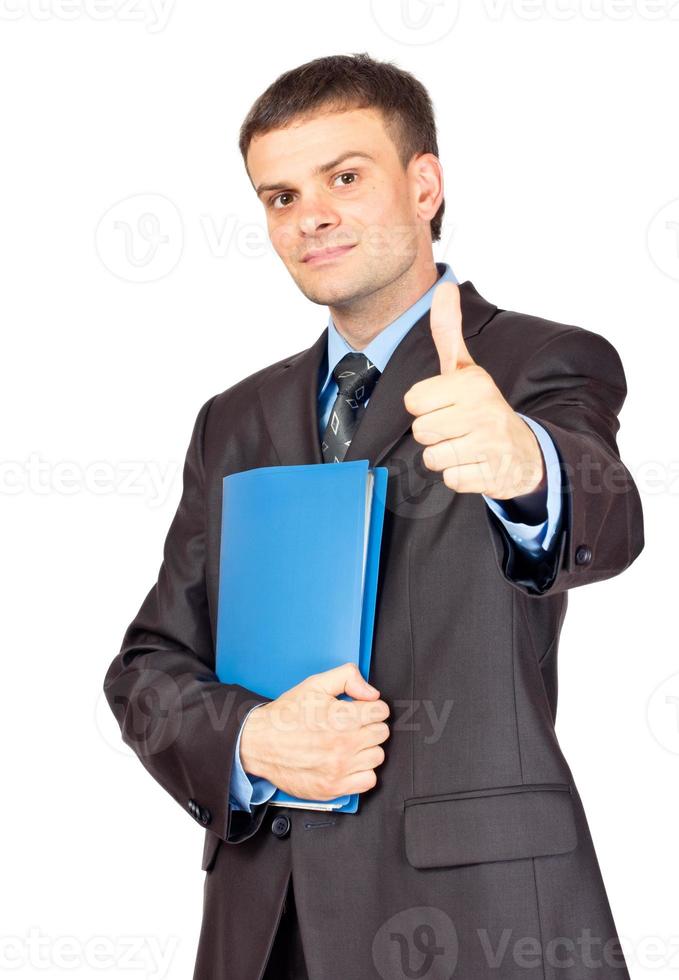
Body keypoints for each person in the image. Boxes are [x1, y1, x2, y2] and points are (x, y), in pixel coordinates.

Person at [103, 52, 644, 980]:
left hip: (477, 915)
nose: (309, 215)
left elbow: (606, 513)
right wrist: (247, 740)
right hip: (265, 924)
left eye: (344, 178)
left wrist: (527, 462)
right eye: (279, 197)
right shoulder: (233, 419)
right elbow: (149, 665)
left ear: (423, 183)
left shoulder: (538, 360)